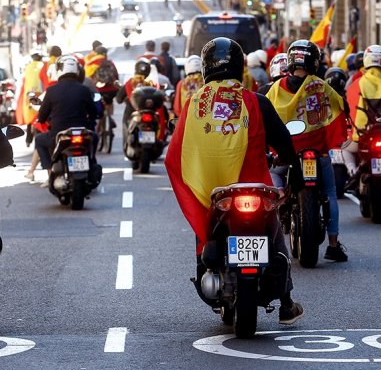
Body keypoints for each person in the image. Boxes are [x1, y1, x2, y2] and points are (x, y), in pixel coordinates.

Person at [164, 37, 304, 324]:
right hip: (256, 190)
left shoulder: (193, 104)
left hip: (214, 195)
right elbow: (284, 143)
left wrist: (193, 181)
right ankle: (287, 302)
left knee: (204, 228)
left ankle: (207, 262)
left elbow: (177, 150)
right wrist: (296, 171)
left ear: (206, 68)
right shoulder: (257, 101)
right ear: (240, 67)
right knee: (276, 236)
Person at [265, 39, 349, 262]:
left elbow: (265, 115)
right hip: (318, 153)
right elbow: (339, 105)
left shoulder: (275, 89)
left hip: (286, 155)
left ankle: (279, 200)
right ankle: (333, 243)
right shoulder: (320, 86)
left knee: (273, 178)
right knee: (330, 193)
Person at [343, 45, 381, 178]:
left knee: (346, 150)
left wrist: (358, 133)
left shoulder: (357, 84)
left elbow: (352, 112)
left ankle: (352, 171)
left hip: (364, 135)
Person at [34, 55, 98, 178]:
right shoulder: (84, 89)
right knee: (94, 137)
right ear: (77, 71)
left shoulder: (51, 90)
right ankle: (92, 161)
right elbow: (94, 113)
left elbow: (42, 117)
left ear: (59, 71)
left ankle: (50, 171)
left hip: (58, 135)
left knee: (39, 140)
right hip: (83, 133)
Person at [115, 59, 157, 146]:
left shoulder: (130, 82)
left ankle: (128, 143)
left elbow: (119, 99)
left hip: (132, 113)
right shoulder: (151, 83)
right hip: (150, 113)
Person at [15, 52, 48, 148]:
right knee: (39, 116)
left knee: (30, 120)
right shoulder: (43, 66)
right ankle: (39, 138)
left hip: (28, 96)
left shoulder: (27, 67)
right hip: (39, 95)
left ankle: (28, 140)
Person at [86, 46, 119, 117]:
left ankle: (100, 122)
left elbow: (87, 77)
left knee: (96, 103)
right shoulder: (109, 62)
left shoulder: (91, 63)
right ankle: (110, 117)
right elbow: (116, 75)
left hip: (97, 90)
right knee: (110, 102)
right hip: (111, 90)